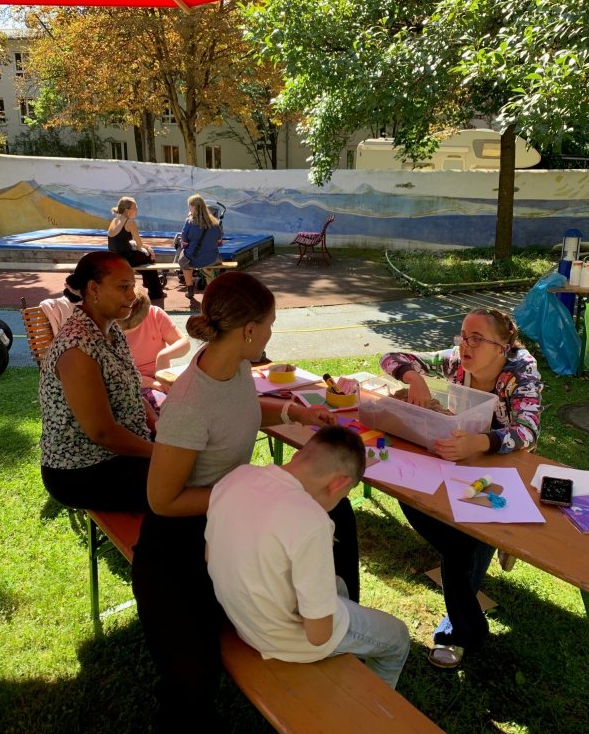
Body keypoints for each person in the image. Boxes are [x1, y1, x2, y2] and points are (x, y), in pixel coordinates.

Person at [131, 271, 360, 733]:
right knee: (194, 678)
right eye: (271, 324)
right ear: (249, 329)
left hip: (234, 514)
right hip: (179, 543)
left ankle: (336, 618)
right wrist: (245, 494)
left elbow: (246, 410)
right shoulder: (189, 405)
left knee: (341, 515)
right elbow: (162, 500)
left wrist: (295, 410)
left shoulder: (232, 365)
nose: (272, 333)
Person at [380, 308, 542, 669]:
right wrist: (414, 378)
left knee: (464, 543)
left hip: (503, 468)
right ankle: (494, 540)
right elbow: (390, 357)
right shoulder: (455, 362)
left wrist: (479, 443)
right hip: (455, 461)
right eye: (463, 335)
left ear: (502, 348)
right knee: (418, 506)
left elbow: (528, 430)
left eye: (477, 338)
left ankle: (457, 633)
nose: (465, 345)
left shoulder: (520, 371)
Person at [205, 425, 410, 689]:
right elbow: (318, 636)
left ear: (298, 457)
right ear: (339, 483)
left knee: (338, 587)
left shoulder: (237, 478)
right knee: (398, 637)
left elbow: (210, 556)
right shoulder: (312, 521)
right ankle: (374, 711)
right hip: (279, 639)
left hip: (242, 619)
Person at [39, 252, 154, 512]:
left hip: (120, 453)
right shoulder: (77, 348)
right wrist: (161, 452)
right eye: (123, 287)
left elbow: (132, 393)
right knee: (183, 478)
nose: (132, 296)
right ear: (93, 289)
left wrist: (158, 424)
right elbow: (102, 433)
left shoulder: (110, 330)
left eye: (132, 287)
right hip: (82, 470)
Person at [118, 287, 191, 411]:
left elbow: (184, 343)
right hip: (128, 382)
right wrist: (149, 383)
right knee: (163, 409)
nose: (123, 331)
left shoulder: (154, 314)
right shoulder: (106, 326)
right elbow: (112, 373)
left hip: (162, 378)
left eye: (131, 327)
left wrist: (164, 355)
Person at [107, 196, 166, 308]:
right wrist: (148, 249)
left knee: (146, 257)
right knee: (149, 257)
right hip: (125, 258)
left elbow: (121, 242)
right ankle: (156, 292)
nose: (137, 210)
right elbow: (139, 245)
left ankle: (151, 287)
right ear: (127, 210)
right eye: (135, 207)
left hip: (114, 257)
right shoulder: (129, 222)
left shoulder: (115, 220)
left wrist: (144, 247)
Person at [178, 194, 221, 311]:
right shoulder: (215, 223)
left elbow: (184, 242)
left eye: (189, 207)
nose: (189, 209)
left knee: (184, 261)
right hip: (211, 258)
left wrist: (184, 247)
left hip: (194, 259)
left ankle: (190, 289)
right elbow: (219, 242)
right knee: (208, 265)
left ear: (194, 208)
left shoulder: (189, 222)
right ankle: (210, 293)